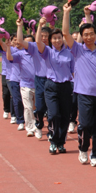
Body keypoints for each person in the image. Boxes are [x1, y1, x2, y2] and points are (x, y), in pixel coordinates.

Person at [63, 2, 96, 167]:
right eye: (85, 34)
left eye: (92, 34)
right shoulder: (78, 50)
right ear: (82, 36)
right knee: (85, 124)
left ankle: (95, 155)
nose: (89, 37)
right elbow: (65, 32)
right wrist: (66, 13)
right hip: (84, 93)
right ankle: (83, 148)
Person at [35, 16, 74, 155]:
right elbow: (38, 41)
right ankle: (53, 141)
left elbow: (73, 71)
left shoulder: (69, 54)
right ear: (50, 40)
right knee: (54, 115)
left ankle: (61, 142)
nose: (57, 40)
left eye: (59, 38)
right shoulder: (47, 52)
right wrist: (40, 26)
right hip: (51, 86)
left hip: (65, 87)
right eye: (54, 38)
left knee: (64, 116)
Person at [11, 19, 38, 138]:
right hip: (25, 84)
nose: (27, 45)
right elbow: (9, 57)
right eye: (25, 43)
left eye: (30, 43)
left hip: (38, 85)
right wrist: (20, 26)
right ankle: (30, 128)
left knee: (37, 108)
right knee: (27, 107)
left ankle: (38, 125)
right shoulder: (20, 54)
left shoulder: (39, 53)